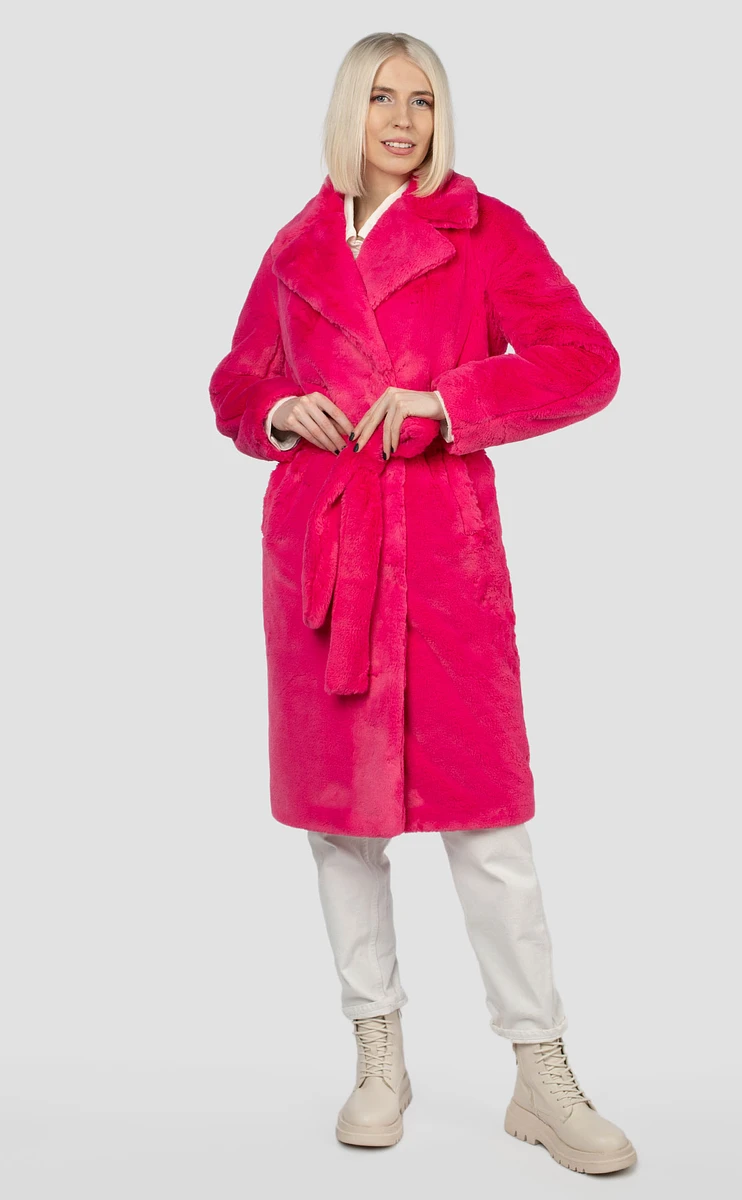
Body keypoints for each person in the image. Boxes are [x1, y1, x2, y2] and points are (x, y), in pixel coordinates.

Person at [208, 31, 636, 1174]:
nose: (403, 121)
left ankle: (539, 1071)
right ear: (346, 110)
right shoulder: (296, 245)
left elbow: (583, 361)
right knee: (341, 827)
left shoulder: (482, 230)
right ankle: (377, 1057)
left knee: (487, 826)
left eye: (424, 101)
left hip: (441, 553)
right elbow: (235, 377)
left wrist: (445, 405)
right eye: (382, 98)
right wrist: (276, 410)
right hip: (322, 554)